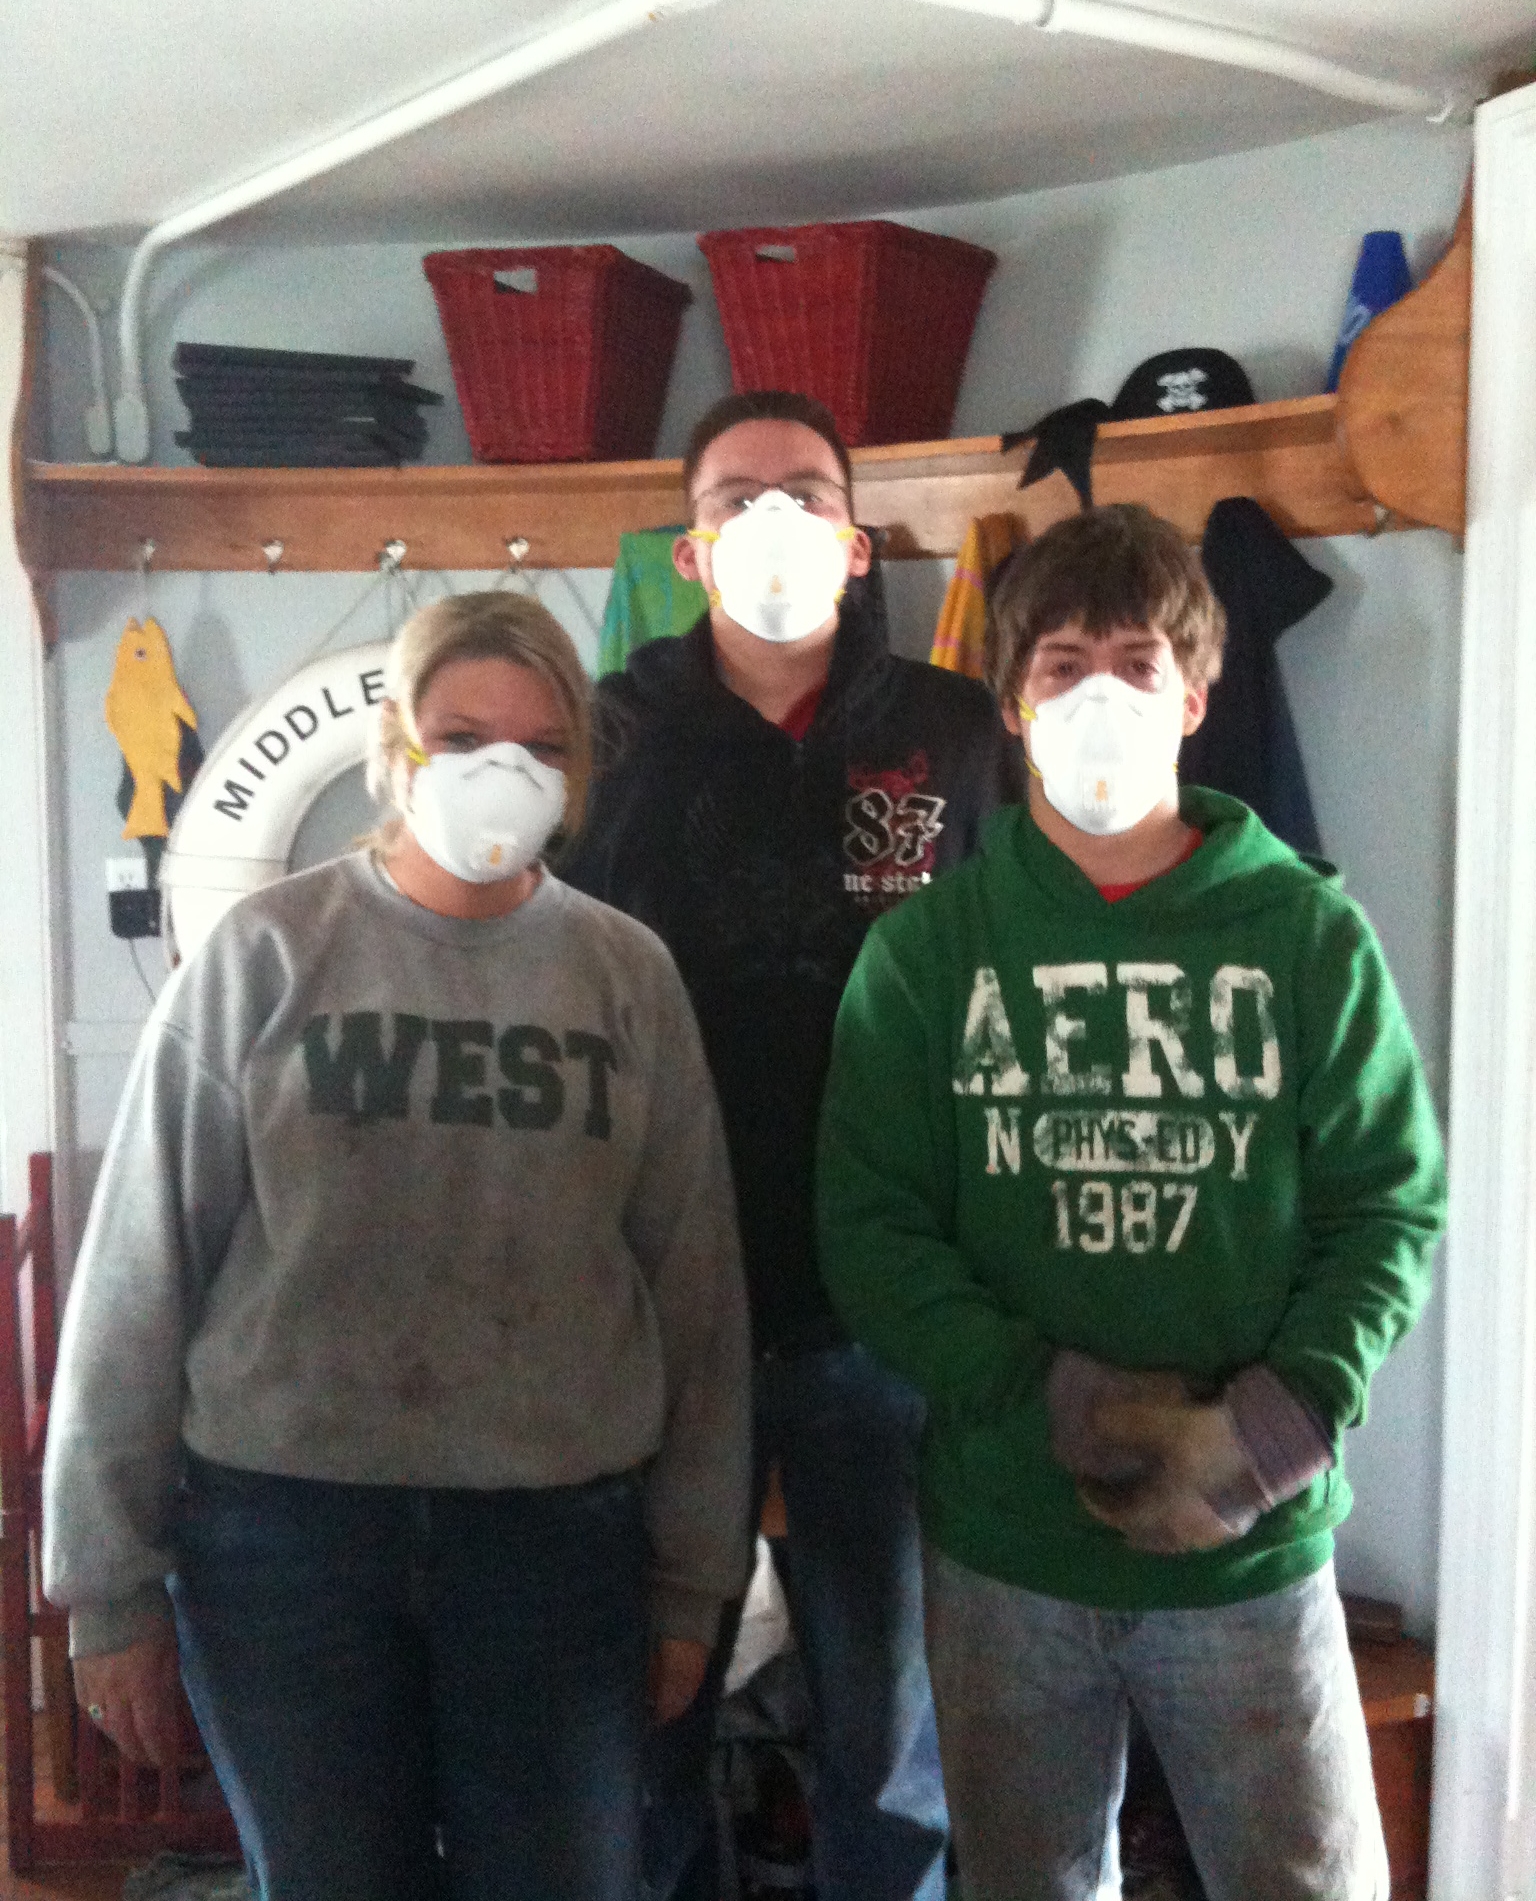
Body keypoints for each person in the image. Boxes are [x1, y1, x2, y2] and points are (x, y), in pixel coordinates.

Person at [43, 592, 752, 1901]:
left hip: (556, 1545)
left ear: (579, 772)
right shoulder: (263, 954)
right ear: (394, 748)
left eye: (543, 746)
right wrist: (108, 1585)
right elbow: (137, 1276)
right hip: (284, 1543)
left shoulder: (625, 976)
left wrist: (691, 1582)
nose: (503, 769)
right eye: (463, 733)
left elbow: (696, 1293)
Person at [816, 502, 1447, 1901]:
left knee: (1306, 1882)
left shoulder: (1303, 931)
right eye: (1061, 663)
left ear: (1197, 697)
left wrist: (1273, 1428)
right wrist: (1052, 1395)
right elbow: (872, 1226)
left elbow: (1388, 1204)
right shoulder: (929, 954)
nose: (1099, 692)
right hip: (1007, 1542)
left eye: (1138, 661)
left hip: (1252, 1547)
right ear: (1013, 703)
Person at [560, 389, 1021, 1901]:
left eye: (805, 490)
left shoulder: (952, 733)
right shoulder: (610, 733)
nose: (774, 517)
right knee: (651, 1704)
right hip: (658, 1297)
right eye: (738, 495)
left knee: (889, 1715)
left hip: (883, 1302)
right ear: (690, 551)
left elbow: (1015, 979)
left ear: (857, 534)